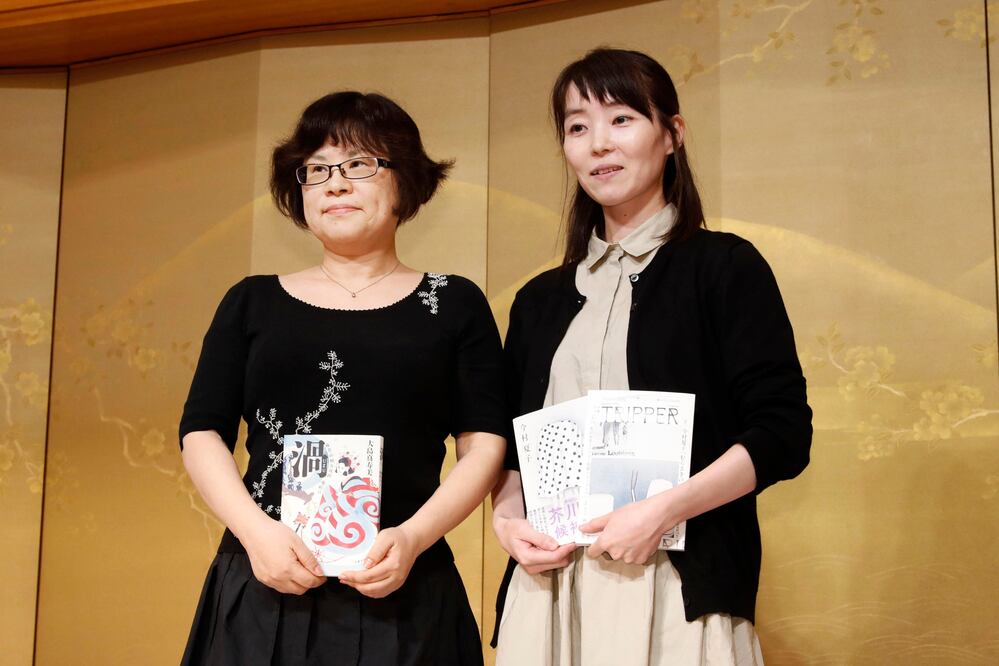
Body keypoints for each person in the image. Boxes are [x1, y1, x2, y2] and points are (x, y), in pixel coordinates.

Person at [490, 48, 812, 665]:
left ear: (673, 134)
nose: (598, 144)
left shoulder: (723, 267)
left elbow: (782, 432)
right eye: (577, 126)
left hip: (680, 585)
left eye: (622, 119)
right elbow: (507, 444)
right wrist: (509, 524)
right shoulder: (540, 300)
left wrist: (662, 510)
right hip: (549, 588)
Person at [179, 91, 506, 665]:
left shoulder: (454, 303)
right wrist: (257, 534)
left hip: (405, 585)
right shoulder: (252, 302)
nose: (335, 184)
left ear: (405, 180)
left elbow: (483, 442)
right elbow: (202, 431)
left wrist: (413, 538)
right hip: (266, 580)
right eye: (317, 170)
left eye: (359, 164)